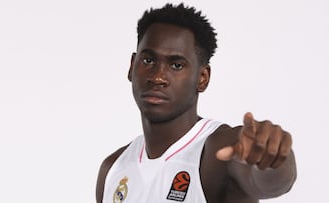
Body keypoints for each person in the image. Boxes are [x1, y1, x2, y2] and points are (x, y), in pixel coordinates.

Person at [96, 3, 296, 203]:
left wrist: (273, 160)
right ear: (132, 66)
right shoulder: (113, 169)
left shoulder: (217, 150)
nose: (157, 77)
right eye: (148, 61)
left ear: (202, 78)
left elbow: (270, 183)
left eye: (176, 65)